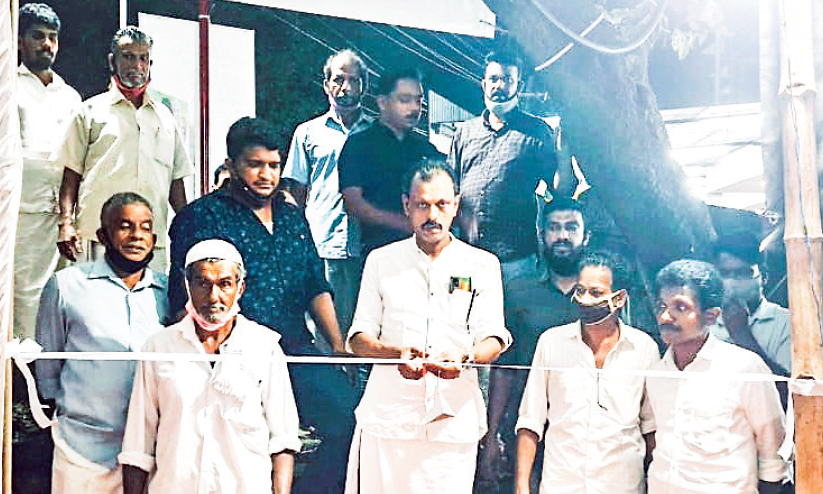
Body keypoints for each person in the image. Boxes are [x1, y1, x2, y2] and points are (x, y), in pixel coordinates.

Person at [167, 116, 357, 494]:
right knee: (240, 444)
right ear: (232, 165)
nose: (266, 175)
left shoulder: (292, 218)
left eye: (274, 165)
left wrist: (337, 347)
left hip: (295, 350)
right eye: (255, 165)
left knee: (349, 422)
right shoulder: (201, 217)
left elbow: (315, 285)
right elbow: (181, 298)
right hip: (232, 356)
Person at [344, 159, 511, 494]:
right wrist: (395, 353)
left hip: (451, 423)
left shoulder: (482, 264)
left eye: (441, 204)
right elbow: (359, 339)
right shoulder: (381, 260)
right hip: (389, 418)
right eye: (422, 205)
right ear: (406, 205)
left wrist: (464, 356)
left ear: (456, 206)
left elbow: (493, 338)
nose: (432, 215)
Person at [120, 239, 300, 494]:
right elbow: (138, 443)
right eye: (203, 283)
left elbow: (283, 441)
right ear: (187, 286)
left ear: (240, 288)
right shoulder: (159, 347)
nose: (214, 296)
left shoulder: (264, 347)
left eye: (225, 284)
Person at [35, 192, 168, 493]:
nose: (137, 236)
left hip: (151, 453)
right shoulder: (66, 286)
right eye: (125, 226)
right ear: (103, 236)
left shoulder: (168, 292)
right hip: (82, 451)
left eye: (146, 228)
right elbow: (48, 370)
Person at [515, 251, 659, 494]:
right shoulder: (552, 342)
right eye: (580, 290)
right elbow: (530, 420)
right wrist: (522, 485)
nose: (584, 299)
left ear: (620, 298)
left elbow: (651, 427)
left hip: (621, 486)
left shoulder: (643, 348)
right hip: (561, 484)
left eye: (596, 293)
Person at [54, 26, 193, 272]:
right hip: (99, 237)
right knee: (96, 296)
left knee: (149, 297)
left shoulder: (166, 118)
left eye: (143, 58)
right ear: (112, 61)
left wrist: (189, 228)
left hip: (150, 241)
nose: (136, 65)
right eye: (128, 57)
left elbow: (176, 180)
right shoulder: (90, 112)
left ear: (150, 64)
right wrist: (66, 222)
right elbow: (71, 174)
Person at [647, 259, 787, 494]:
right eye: (662, 306)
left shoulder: (744, 368)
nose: (665, 317)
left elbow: (772, 452)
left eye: (680, 307)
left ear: (711, 316)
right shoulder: (657, 372)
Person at [483, 197, 589, 480]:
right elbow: (504, 368)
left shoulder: (600, 295)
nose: (562, 235)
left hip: (586, 430)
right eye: (554, 227)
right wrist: (491, 435)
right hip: (524, 427)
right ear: (542, 234)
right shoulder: (519, 291)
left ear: (586, 236)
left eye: (571, 227)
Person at [282, 49, 373, 338]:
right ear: (326, 85)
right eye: (339, 79)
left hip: (367, 248)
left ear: (364, 87)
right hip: (322, 245)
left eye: (354, 80)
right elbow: (296, 194)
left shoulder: (376, 134)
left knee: (365, 331)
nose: (346, 87)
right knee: (323, 334)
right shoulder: (307, 133)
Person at [447, 50, 559, 284]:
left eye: (508, 79)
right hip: (466, 259)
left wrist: (565, 149)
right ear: (484, 84)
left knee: (515, 309)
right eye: (494, 79)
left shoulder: (537, 132)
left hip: (516, 262)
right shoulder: (464, 132)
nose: (500, 86)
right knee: (460, 307)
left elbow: (557, 189)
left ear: (519, 85)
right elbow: (449, 188)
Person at [15, 2, 81, 340]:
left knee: (65, 298)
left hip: (67, 217)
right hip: (24, 212)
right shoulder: (9, 88)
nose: (46, 44)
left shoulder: (71, 97)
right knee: (26, 297)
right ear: (19, 41)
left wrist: (69, 217)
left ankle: (54, 372)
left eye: (52, 37)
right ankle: (21, 373)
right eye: (37, 36)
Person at [339, 67, 441, 255]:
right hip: (379, 252)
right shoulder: (359, 145)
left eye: (419, 101)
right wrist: (406, 224)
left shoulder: (426, 150)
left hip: (426, 253)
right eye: (405, 100)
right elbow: (353, 203)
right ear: (383, 103)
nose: (414, 108)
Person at [711, 232, 791, 376]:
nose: (731, 281)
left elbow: (789, 386)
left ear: (764, 276)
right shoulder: (705, 320)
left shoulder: (786, 324)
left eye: (742, 272)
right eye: (724, 273)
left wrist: (741, 334)